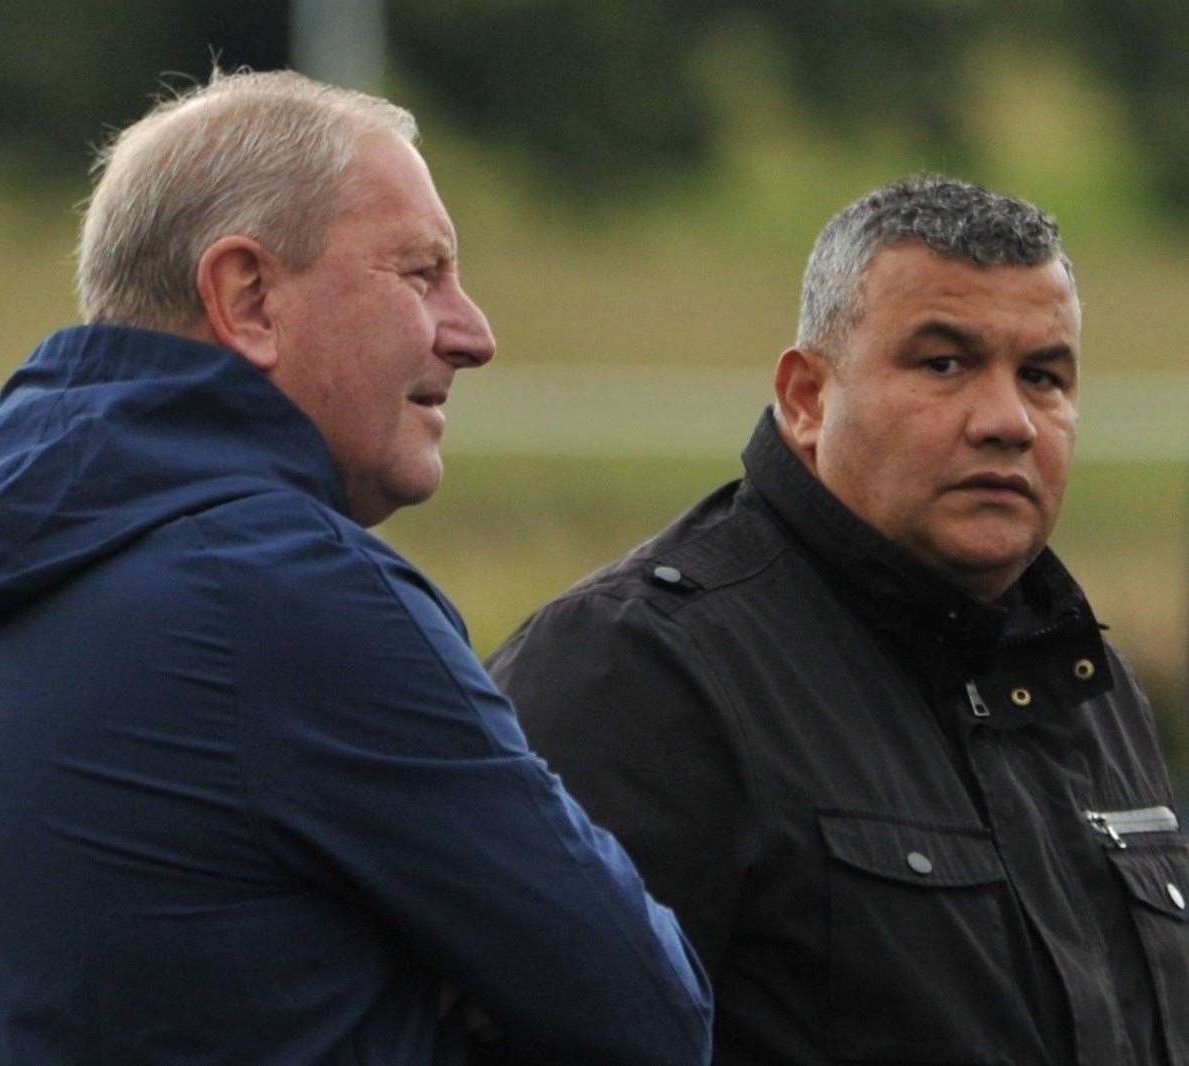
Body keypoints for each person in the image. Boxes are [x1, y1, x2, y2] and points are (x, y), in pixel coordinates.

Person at [0, 69, 712, 1065]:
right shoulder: (287, 591)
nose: (475, 334)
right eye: (422, 272)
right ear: (246, 296)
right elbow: (646, 1014)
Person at [487, 175, 1189, 1065]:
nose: (1008, 421)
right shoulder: (642, 670)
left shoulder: (1088, 687)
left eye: (1043, 376)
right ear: (808, 399)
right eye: (944, 364)